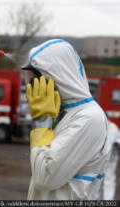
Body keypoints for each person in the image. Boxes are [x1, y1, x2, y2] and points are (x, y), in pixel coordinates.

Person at [22, 39, 112, 200]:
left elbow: (45, 177)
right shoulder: (64, 112)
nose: (33, 82)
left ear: (59, 75)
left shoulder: (89, 118)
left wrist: (41, 120)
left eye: (38, 75)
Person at [103, 120, 120, 200]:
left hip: (110, 159)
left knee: (108, 181)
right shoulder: (100, 125)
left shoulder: (112, 127)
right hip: (101, 159)